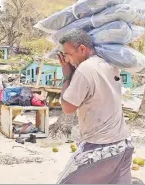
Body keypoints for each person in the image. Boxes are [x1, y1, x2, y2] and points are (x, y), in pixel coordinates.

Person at [55, 29, 133, 184]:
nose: (67, 59)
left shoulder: (85, 69)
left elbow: (68, 108)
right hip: (124, 145)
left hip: (100, 148)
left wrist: (66, 75)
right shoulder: (109, 63)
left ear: (82, 49)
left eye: (68, 54)